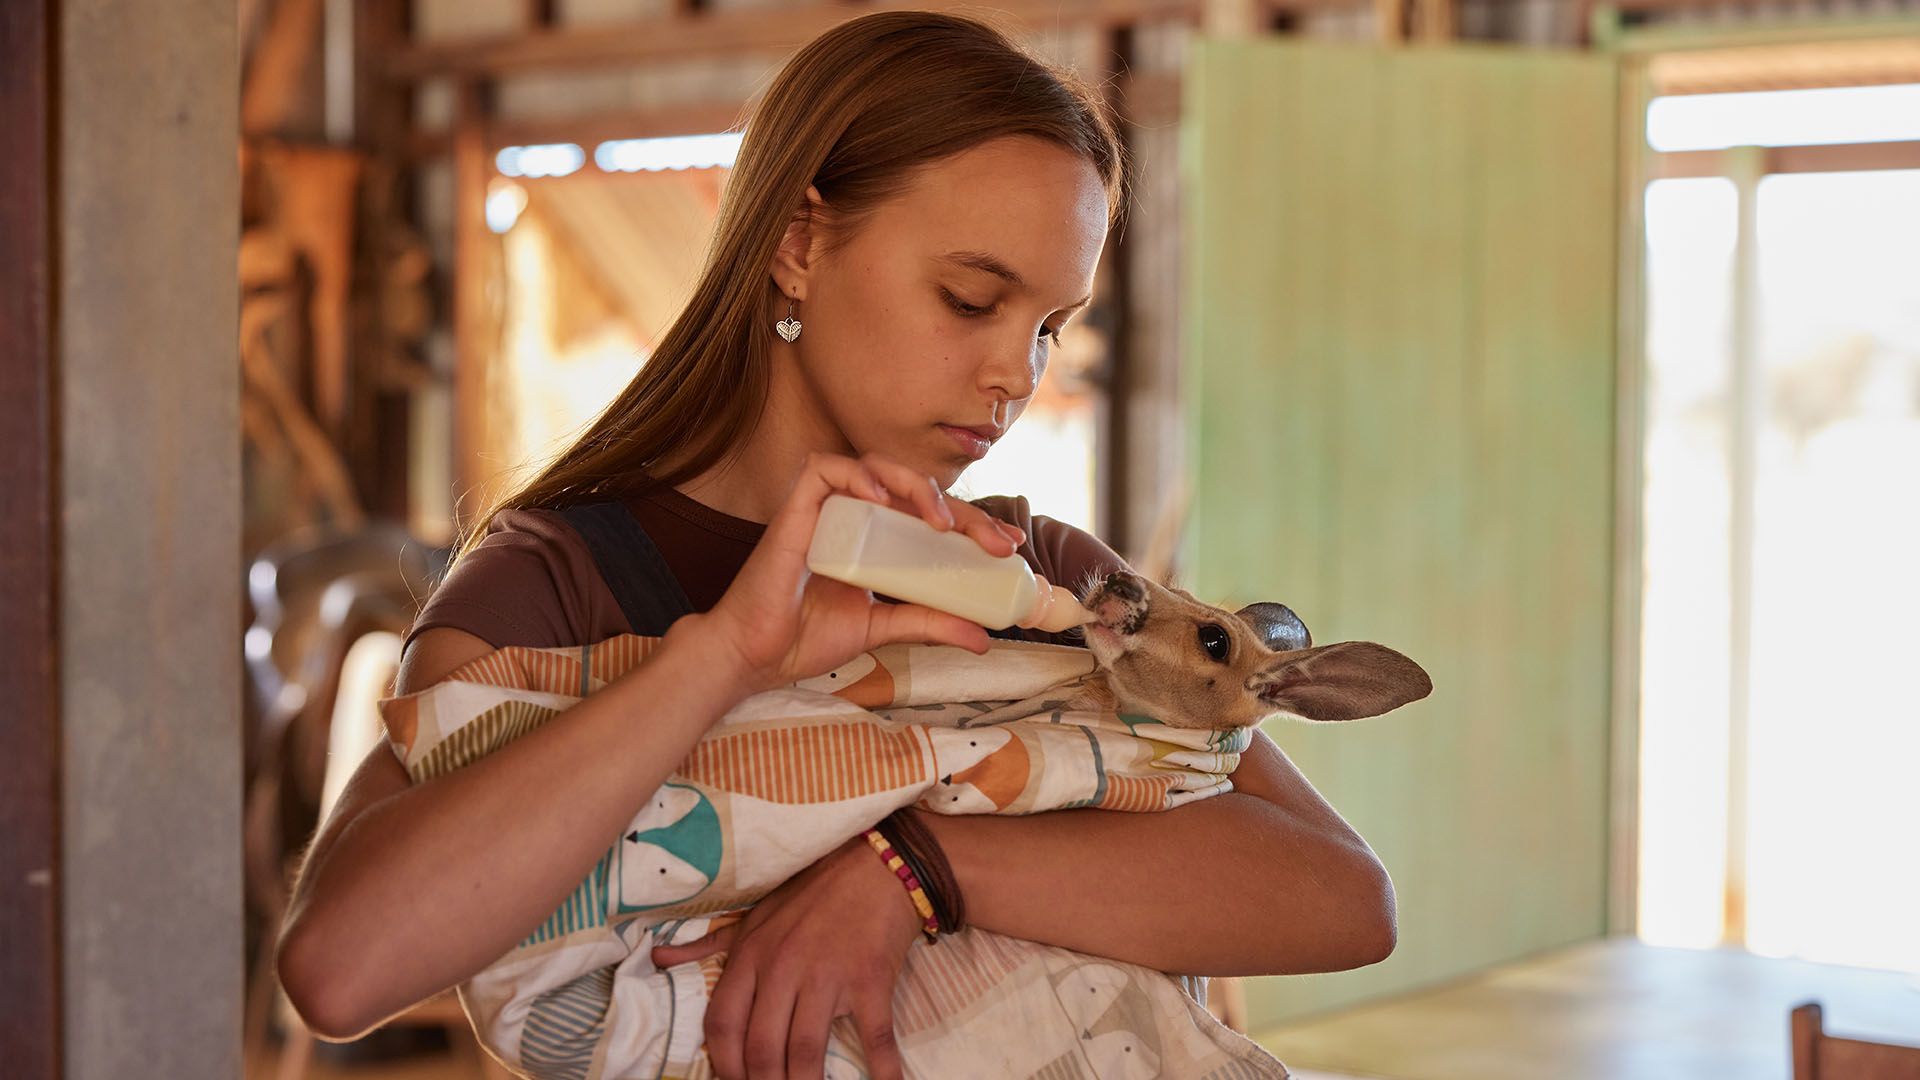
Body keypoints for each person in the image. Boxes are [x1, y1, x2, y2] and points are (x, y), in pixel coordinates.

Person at [276, 11, 1396, 1079]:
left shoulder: (1036, 574)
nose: (1015, 374)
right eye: (972, 300)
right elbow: (342, 967)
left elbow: (1343, 898)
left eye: (1051, 327)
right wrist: (725, 658)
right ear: (799, 244)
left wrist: (918, 869)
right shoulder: (559, 584)